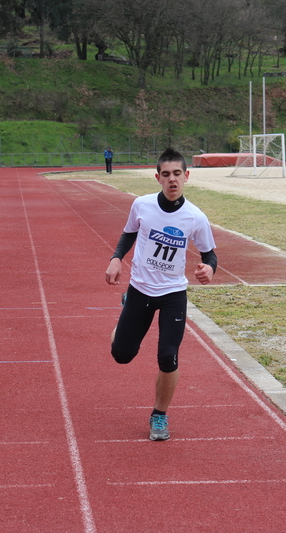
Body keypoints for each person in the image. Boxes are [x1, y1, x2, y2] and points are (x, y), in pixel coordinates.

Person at [105, 147, 217, 441]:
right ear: (157, 177)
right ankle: (126, 309)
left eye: (177, 174)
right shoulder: (141, 205)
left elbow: (210, 255)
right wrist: (117, 258)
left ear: (186, 176)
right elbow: (129, 233)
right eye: (165, 174)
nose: (172, 180)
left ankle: (159, 415)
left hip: (173, 294)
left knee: (168, 357)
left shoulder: (195, 217)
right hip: (140, 288)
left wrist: (210, 270)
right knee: (121, 355)